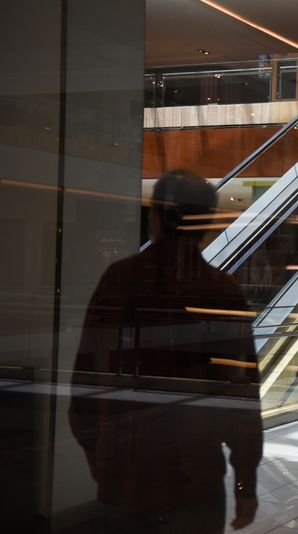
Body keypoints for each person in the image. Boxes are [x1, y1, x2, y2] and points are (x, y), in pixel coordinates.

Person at [69, 170, 262, 533]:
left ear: (155, 217)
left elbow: (86, 379)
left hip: (126, 474)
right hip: (195, 477)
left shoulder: (119, 280)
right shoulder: (223, 292)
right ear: (207, 222)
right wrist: (244, 485)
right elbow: (241, 400)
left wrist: (101, 456)